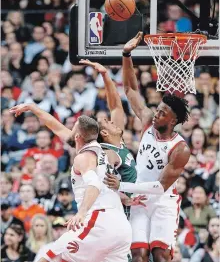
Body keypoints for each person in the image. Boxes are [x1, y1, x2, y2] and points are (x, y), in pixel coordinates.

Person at [104, 32, 191, 262]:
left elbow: (161, 187)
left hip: (163, 201)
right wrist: (126, 54)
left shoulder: (180, 149)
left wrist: (126, 186)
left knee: (160, 255)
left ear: (173, 121)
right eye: (158, 109)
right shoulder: (146, 121)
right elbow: (131, 90)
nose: (156, 114)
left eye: (163, 113)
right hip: (139, 200)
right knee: (138, 255)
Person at [10, 104, 132, 262]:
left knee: (48, 255)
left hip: (99, 221)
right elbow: (56, 127)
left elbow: (94, 184)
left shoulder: (84, 157)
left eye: (73, 127)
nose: (68, 130)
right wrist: (33, 108)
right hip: (121, 226)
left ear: (77, 136)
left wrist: (81, 212)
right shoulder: (104, 153)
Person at [79, 59, 137, 219]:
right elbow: (100, 181)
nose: (112, 121)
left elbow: (116, 107)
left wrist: (105, 75)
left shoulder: (119, 144)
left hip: (132, 211)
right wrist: (121, 195)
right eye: (108, 122)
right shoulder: (109, 152)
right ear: (105, 133)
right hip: (122, 215)